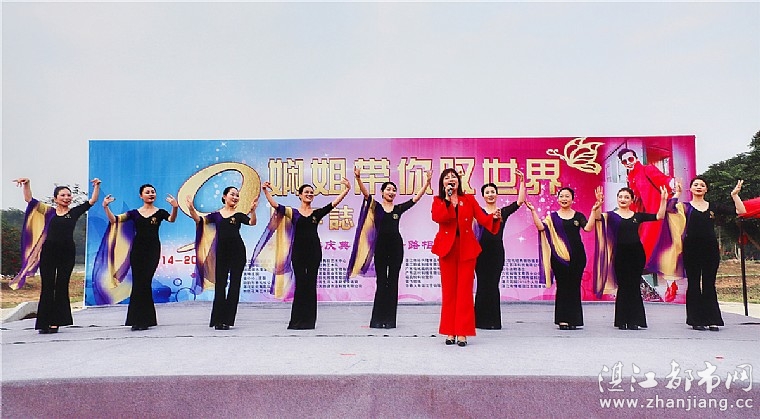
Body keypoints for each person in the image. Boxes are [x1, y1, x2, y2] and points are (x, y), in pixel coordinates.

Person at [11, 177, 101, 334]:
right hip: (49, 252)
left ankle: (56, 322)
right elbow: (29, 200)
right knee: (47, 286)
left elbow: (92, 201)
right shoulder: (49, 212)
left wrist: (96, 186)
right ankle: (44, 322)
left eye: (69, 195)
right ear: (55, 198)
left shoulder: (74, 212)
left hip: (67, 252)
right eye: (63, 195)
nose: (66, 198)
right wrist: (27, 184)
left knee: (61, 285)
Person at [258, 179, 351, 329]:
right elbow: (276, 205)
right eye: (306, 192)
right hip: (298, 252)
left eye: (311, 193)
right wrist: (265, 191)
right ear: (300, 195)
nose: (309, 194)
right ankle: (297, 321)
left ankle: (309, 321)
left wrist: (346, 190)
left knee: (310, 284)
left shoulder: (317, 213)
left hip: (314, 252)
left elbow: (333, 204)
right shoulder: (293, 213)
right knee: (301, 284)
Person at [348, 167, 433, 329]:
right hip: (380, 248)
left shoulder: (398, 209)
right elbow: (366, 195)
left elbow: (415, 199)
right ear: (382, 192)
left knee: (393, 282)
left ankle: (390, 321)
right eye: (388, 189)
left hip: (396, 248)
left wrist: (427, 182)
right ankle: (377, 320)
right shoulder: (377, 207)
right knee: (382, 282)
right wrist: (358, 178)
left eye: (394, 190)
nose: (391, 192)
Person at [431, 168, 501, 347]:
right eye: (447, 178)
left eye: (453, 177)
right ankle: (450, 331)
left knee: (464, 291)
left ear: (458, 181)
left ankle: (462, 332)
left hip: (466, 249)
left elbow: (482, 218)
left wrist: (494, 218)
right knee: (449, 292)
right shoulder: (439, 200)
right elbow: (438, 218)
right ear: (442, 183)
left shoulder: (468, 199)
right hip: (447, 249)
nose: (450, 179)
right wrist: (448, 201)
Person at [669, 179, 746, 331]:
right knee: (694, 283)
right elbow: (669, 209)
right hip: (691, 249)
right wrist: (677, 193)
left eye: (702, 185)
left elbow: (741, 211)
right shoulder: (685, 206)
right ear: (690, 189)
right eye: (696, 185)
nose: (699, 187)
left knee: (709, 283)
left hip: (710, 249)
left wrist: (735, 195)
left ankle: (712, 320)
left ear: (706, 190)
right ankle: (696, 320)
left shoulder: (714, 207)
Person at [101, 185, 179, 331]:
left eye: (153, 192)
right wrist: (106, 207)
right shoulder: (134, 213)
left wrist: (175, 207)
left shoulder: (160, 212)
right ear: (141, 196)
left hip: (153, 250)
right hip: (137, 251)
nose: (151, 194)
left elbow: (172, 219)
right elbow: (115, 220)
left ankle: (144, 320)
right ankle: (138, 320)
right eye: (147, 192)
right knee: (138, 284)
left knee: (145, 282)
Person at [525, 186, 602, 330]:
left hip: (577, 257)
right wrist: (533, 211)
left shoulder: (578, 216)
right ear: (558, 199)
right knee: (562, 287)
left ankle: (574, 320)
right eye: (561, 196)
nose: (564, 199)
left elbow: (588, 228)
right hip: (558, 258)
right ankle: (562, 320)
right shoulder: (552, 217)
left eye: (567, 196)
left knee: (574, 287)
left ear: (572, 199)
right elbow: (541, 227)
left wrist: (594, 210)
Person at [593, 186, 668, 330]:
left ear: (632, 200)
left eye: (626, 197)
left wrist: (663, 200)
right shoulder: (611, 215)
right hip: (620, 254)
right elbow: (597, 218)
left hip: (636, 254)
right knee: (623, 286)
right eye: (620, 197)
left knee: (634, 286)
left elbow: (659, 216)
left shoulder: (637, 216)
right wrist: (598, 203)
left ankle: (634, 321)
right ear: (617, 199)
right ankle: (622, 320)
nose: (623, 199)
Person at [187, 186, 258, 330]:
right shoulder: (216, 215)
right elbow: (199, 220)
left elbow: (252, 222)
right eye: (232, 194)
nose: (235, 197)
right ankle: (218, 320)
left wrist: (253, 211)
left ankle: (228, 320)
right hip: (221, 253)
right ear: (224, 197)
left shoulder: (239, 215)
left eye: (237, 195)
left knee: (234, 286)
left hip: (238, 252)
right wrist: (191, 208)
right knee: (220, 285)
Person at [473, 171, 526, 330]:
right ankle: (478, 321)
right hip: (480, 253)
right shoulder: (479, 212)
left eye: (492, 192)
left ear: (496, 194)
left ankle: (493, 321)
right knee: (482, 284)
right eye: (487, 192)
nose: (490, 194)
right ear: (483, 196)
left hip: (496, 253)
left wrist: (522, 181)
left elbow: (519, 202)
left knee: (493, 285)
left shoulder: (502, 212)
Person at [617, 148, 673, 265]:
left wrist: (672, 183)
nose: (628, 163)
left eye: (630, 159)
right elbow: (635, 198)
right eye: (624, 161)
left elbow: (662, 179)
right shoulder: (631, 177)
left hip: (657, 209)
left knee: (655, 244)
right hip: (646, 213)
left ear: (636, 158)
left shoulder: (647, 169)